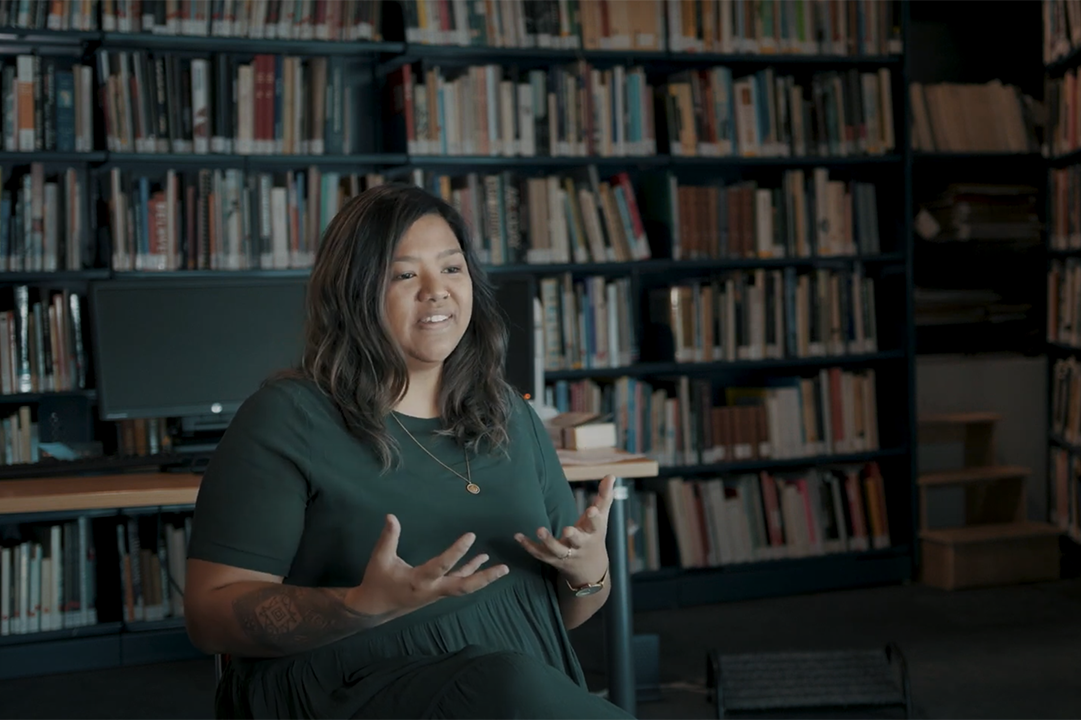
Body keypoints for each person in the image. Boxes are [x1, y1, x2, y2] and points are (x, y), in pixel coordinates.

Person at [183, 183, 633, 720]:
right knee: (510, 684)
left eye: (451, 268)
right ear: (354, 292)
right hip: (350, 690)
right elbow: (208, 616)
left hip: (512, 693)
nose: (436, 290)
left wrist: (590, 572)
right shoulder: (289, 416)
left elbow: (565, 615)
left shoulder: (510, 414)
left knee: (514, 684)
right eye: (404, 275)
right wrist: (359, 606)